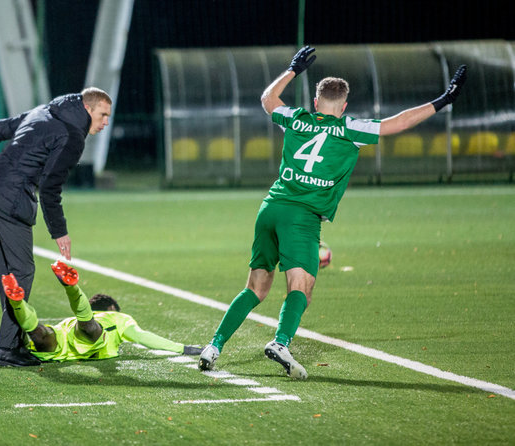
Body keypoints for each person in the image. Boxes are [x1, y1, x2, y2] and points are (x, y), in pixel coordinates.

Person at [198, 46, 467, 379]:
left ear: (315, 102)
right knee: (301, 286)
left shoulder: (296, 118)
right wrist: (442, 101)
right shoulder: (351, 129)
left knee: (255, 288)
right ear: (344, 106)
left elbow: (268, 99)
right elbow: (397, 123)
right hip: (303, 217)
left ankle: (214, 346)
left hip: (271, 207)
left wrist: (292, 69)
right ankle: (281, 342)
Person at [0, 88, 112, 367]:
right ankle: (6, 349)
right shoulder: (72, 136)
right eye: (103, 114)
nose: (106, 122)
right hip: (10, 200)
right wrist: (59, 231)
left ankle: (15, 343)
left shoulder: (43, 111)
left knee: (10, 277)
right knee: (22, 271)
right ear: (88, 108)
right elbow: (50, 187)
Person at [0, 260, 202, 362]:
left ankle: (17, 302)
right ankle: (71, 288)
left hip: (64, 335)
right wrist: (182, 348)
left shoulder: (75, 320)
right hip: (90, 337)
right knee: (90, 328)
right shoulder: (118, 317)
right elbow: (142, 336)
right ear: (112, 308)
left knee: (41, 335)